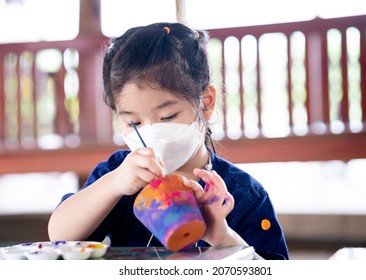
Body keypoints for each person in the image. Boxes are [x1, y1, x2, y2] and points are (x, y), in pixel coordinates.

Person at [48, 22, 289, 260]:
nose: (152, 133)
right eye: (134, 123)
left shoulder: (242, 196)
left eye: (168, 116)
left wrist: (223, 237)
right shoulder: (119, 175)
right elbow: (59, 236)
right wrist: (114, 185)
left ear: (205, 103)